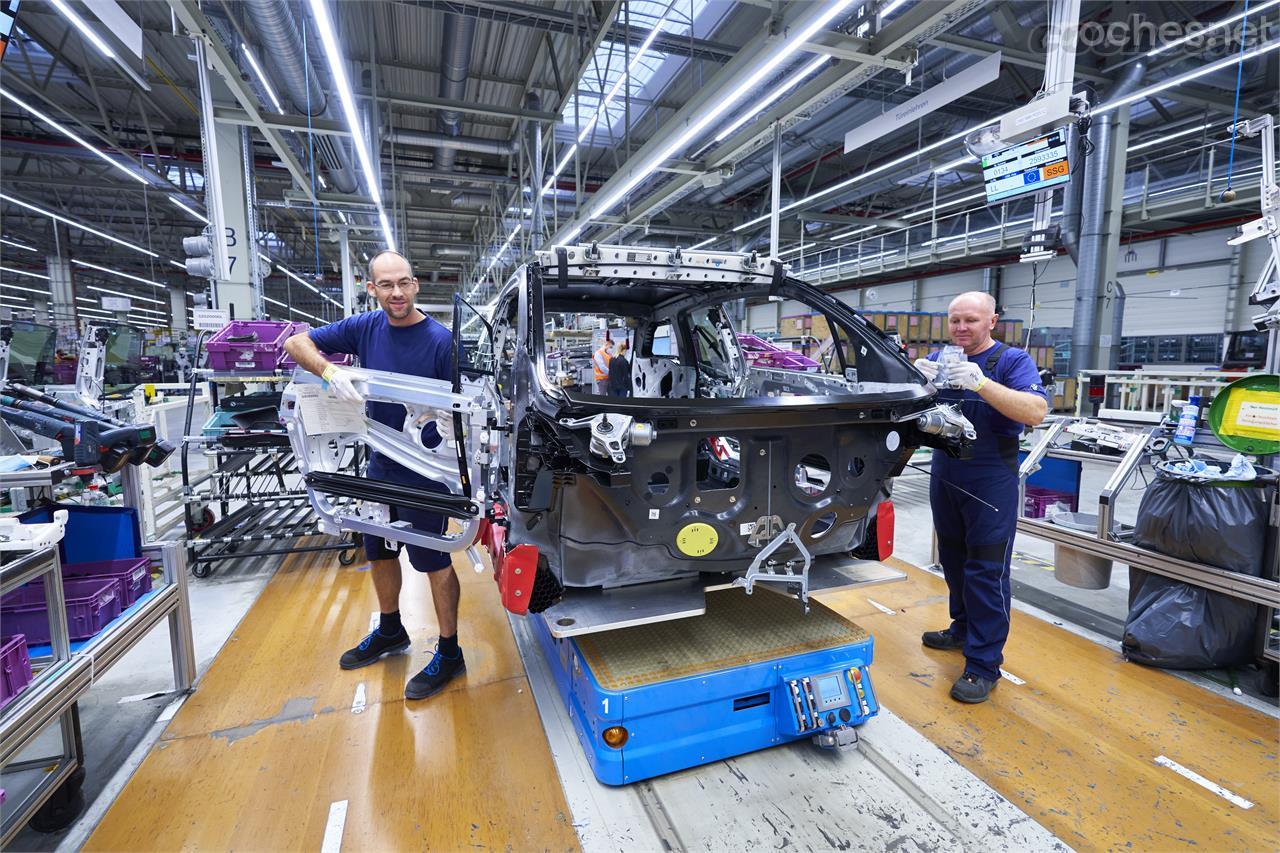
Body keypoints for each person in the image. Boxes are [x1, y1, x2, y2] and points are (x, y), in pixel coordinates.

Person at [282, 250, 466, 701]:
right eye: (386, 285)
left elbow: (462, 415)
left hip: (425, 470)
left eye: (403, 282)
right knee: (378, 550)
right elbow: (295, 342)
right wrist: (329, 371)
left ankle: (449, 650)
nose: (397, 293)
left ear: (416, 283)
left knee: (432, 558)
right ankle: (390, 630)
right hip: (379, 462)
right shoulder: (364, 327)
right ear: (372, 288)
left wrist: (457, 471)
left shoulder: (442, 342)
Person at [913, 292, 1049, 705]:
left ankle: (984, 664)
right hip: (947, 471)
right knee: (953, 562)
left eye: (970, 320)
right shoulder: (942, 356)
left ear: (992, 321)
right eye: (954, 320)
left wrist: (982, 383)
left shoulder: (1011, 362)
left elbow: (1036, 411)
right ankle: (962, 628)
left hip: (991, 477)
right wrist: (917, 383)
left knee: (986, 570)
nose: (960, 328)